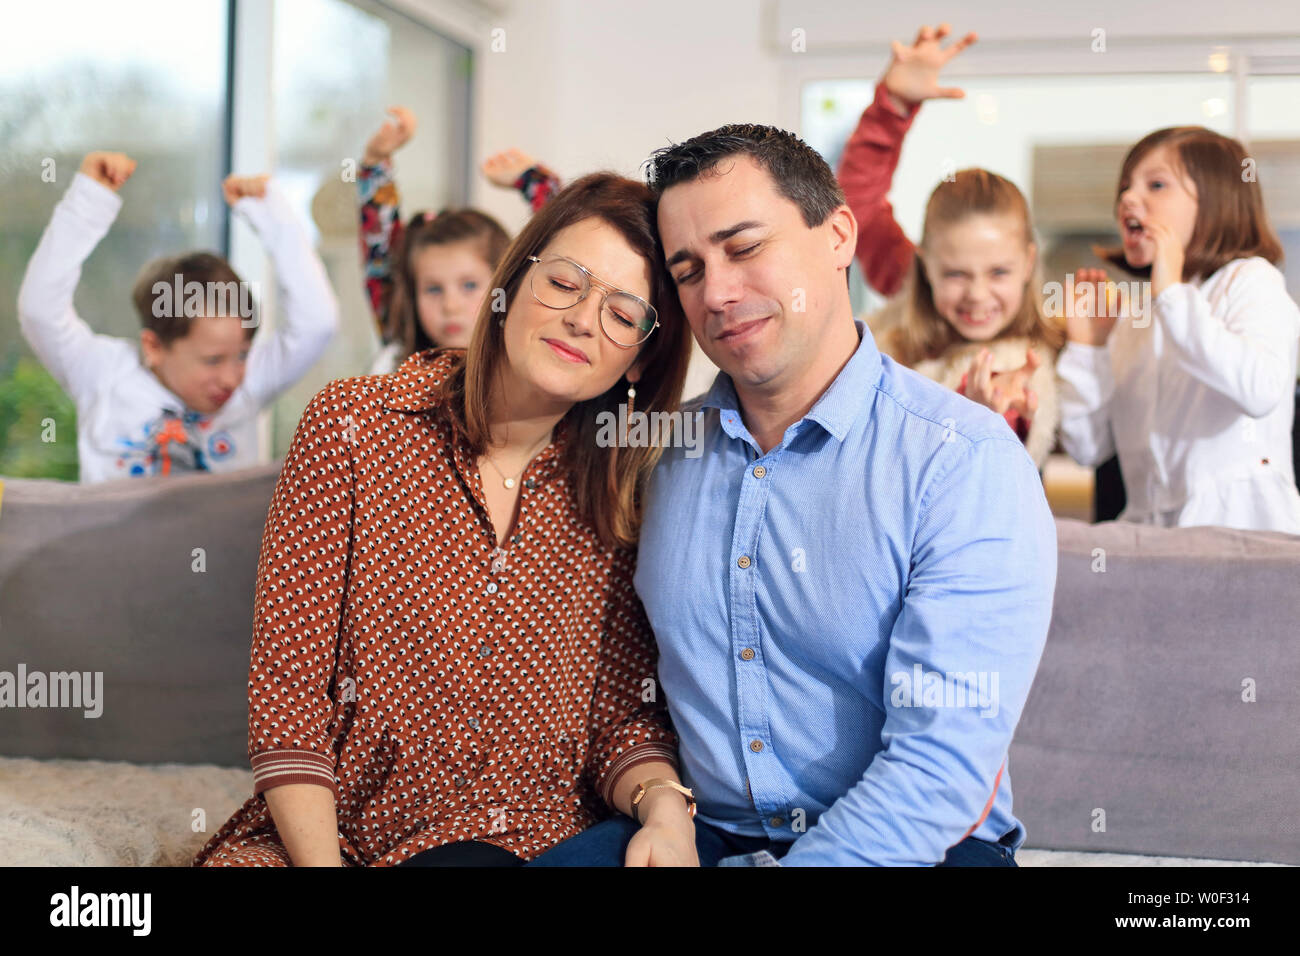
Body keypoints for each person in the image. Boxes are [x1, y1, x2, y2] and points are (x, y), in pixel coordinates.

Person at [529, 124, 1058, 867]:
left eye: (745, 248)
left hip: (919, 849)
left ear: (838, 233)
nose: (717, 292)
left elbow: (939, 769)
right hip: (704, 835)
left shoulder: (963, 463)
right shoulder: (651, 456)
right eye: (687, 270)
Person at [194, 172, 697, 866]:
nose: (584, 318)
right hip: (333, 844)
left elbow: (621, 720)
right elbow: (289, 698)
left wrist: (666, 812)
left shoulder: (626, 495)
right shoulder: (352, 424)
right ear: (512, 283)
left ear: (640, 358)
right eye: (565, 282)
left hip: (531, 848)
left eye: (623, 312)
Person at [15, 152, 338, 482]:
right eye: (212, 360)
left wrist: (271, 216)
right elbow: (40, 309)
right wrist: (89, 201)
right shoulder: (102, 374)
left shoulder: (251, 383)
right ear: (153, 347)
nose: (231, 378)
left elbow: (317, 323)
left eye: (241, 355)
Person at [838, 23, 1063, 469]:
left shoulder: (1038, 350)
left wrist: (990, 421)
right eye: (956, 274)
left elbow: (1009, 462)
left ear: (1028, 264)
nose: (977, 294)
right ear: (924, 267)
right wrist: (893, 107)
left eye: (998, 273)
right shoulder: (906, 293)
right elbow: (855, 202)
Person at [1057, 126, 1300, 533]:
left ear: (1216, 201)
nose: (1127, 199)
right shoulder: (1136, 319)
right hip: (1153, 543)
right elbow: (1086, 448)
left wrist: (1171, 295)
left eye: (1156, 184)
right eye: (1125, 188)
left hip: (1247, 541)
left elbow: (1260, 390)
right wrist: (1089, 349)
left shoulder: (1251, 281)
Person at [358, 105, 561, 372]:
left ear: (507, 284)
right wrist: (375, 161)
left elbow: (564, 243)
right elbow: (381, 254)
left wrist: (535, 182)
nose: (450, 306)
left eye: (469, 286)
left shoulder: (522, 363)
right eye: (433, 289)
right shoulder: (400, 354)